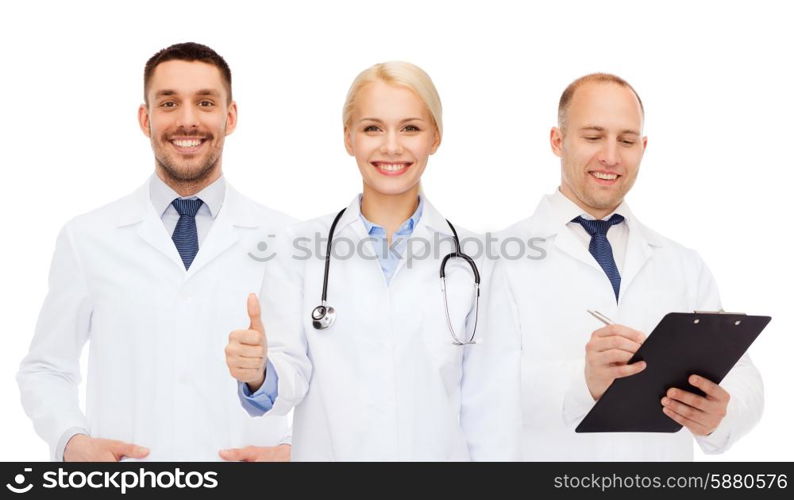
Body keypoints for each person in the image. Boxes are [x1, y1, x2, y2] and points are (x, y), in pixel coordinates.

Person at [224, 62, 521, 460]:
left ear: (435, 137)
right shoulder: (298, 249)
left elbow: (491, 409)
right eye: (372, 128)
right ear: (349, 138)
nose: (392, 146)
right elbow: (287, 375)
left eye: (410, 128)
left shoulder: (478, 261)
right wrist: (259, 372)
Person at [18, 42, 293, 461]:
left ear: (229, 117)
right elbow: (46, 369)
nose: (187, 120)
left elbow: (326, 377)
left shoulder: (286, 239)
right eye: (169, 103)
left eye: (205, 102)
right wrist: (72, 443)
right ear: (146, 119)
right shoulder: (87, 237)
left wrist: (295, 452)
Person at [489, 73, 763, 460]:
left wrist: (721, 413)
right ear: (558, 140)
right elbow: (477, 390)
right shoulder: (496, 259)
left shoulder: (682, 263)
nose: (611, 157)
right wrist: (582, 382)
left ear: (643, 146)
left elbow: (744, 377)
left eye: (627, 140)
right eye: (593, 136)